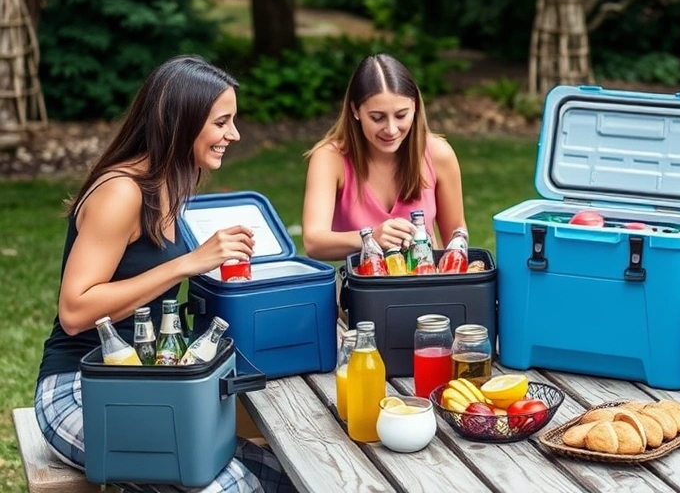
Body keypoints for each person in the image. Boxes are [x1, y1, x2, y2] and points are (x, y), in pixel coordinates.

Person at [34, 56, 295, 493]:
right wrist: (186, 264)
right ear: (182, 123)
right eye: (222, 122)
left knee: (282, 475)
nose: (234, 134)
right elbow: (75, 311)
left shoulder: (173, 185)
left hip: (148, 382)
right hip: (81, 388)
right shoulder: (122, 192)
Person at [302, 53, 466, 262]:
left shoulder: (439, 154)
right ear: (355, 110)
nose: (391, 129)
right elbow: (314, 242)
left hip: (427, 286)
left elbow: (457, 240)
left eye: (401, 115)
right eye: (377, 118)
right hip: (366, 290)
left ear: (415, 106)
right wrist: (371, 238)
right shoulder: (330, 158)